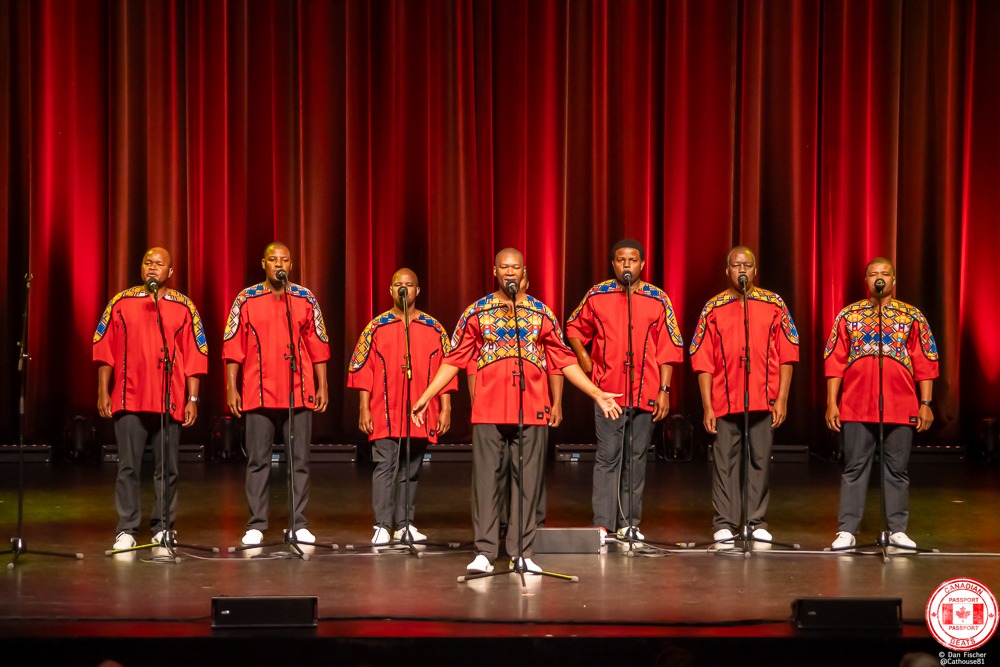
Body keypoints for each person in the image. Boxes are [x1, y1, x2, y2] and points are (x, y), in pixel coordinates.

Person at [411, 248, 622, 574]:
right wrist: (427, 394)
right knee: (486, 482)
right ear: (495, 271)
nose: (510, 273)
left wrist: (596, 393)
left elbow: (564, 360)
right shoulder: (477, 312)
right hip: (489, 410)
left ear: (524, 271)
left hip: (531, 409)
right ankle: (484, 551)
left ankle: (522, 552)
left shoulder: (540, 313)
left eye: (516, 268)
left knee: (527, 484)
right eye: (504, 267)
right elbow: (454, 359)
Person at [566, 239, 683, 544]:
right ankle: (603, 524)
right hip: (609, 391)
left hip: (645, 389)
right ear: (613, 264)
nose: (626, 265)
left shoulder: (658, 298)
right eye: (621, 260)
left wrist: (664, 389)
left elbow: (669, 349)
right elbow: (573, 327)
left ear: (642, 264)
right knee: (608, 456)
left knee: (635, 458)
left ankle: (629, 522)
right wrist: (583, 354)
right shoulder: (597, 294)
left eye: (632, 260)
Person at [94, 247, 208, 550]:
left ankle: (163, 527)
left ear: (170, 272)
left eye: (159, 264)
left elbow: (195, 357)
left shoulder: (184, 307)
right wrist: (102, 390)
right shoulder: (121, 302)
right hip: (128, 396)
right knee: (127, 466)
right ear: (140, 268)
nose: (152, 268)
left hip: (169, 399)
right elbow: (104, 348)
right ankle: (127, 528)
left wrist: (192, 399)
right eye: (147, 263)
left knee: (167, 468)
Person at [824, 257, 938, 551]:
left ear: (893, 280)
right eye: (874, 274)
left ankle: (897, 530)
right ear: (867, 280)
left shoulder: (911, 315)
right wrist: (831, 402)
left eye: (885, 273)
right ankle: (847, 530)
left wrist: (925, 403)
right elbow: (834, 361)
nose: (879, 278)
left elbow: (925, 361)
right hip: (856, 404)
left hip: (901, 405)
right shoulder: (849, 315)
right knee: (854, 467)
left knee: (897, 469)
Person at [689, 246, 798, 546]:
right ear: (727, 271)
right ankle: (724, 522)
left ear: (754, 270)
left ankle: (754, 521)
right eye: (736, 265)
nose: (742, 270)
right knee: (724, 461)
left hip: (764, 397)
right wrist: (707, 405)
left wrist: (783, 398)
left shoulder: (773, 303)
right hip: (725, 399)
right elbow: (702, 359)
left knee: (760, 460)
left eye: (747, 265)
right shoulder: (713, 307)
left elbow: (788, 352)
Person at [223, 242, 330, 546]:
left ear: (291, 265)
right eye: (273, 259)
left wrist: (323, 385)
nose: (278, 264)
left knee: (300, 460)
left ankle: (299, 523)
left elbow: (318, 344)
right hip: (257, 392)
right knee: (258, 460)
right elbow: (232, 347)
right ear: (263, 263)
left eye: (284, 260)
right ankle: (256, 524)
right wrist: (231, 387)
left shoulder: (305, 298)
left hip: (299, 390)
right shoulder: (245, 298)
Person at [348, 268, 457, 546]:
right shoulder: (376, 327)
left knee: (411, 469)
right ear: (390, 290)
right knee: (385, 465)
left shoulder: (434, 328)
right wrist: (363, 407)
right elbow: (362, 368)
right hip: (384, 410)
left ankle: (405, 524)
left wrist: (446, 408)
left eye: (409, 284)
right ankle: (383, 525)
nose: (404, 288)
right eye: (399, 284)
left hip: (420, 413)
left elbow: (447, 369)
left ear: (418, 291)